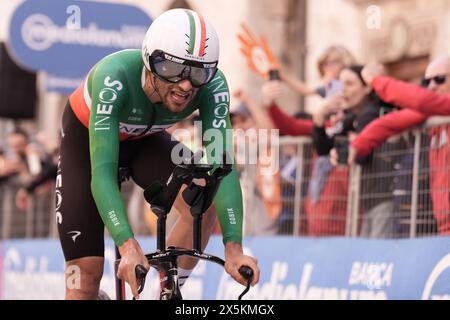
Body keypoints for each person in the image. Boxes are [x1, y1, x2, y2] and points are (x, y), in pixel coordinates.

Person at [57, 9, 259, 300]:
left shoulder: (213, 86)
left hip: (146, 141)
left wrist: (234, 249)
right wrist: (127, 245)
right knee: (84, 275)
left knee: (203, 195)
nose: (186, 85)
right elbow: (102, 173)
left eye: (199, 73)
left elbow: (221, 163)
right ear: (150, 61)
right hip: (87, 145)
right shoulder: (113, 77)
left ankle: (166, 291)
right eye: (172, 70)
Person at [349, 56, 450, 235]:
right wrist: (356, 146)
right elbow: (388, 123)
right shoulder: (433, 113)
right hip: (443, 225)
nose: (432, 86)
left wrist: (377, 80)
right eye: (426, 81)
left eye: (440, 79)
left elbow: (421, 100)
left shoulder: (438, 105)